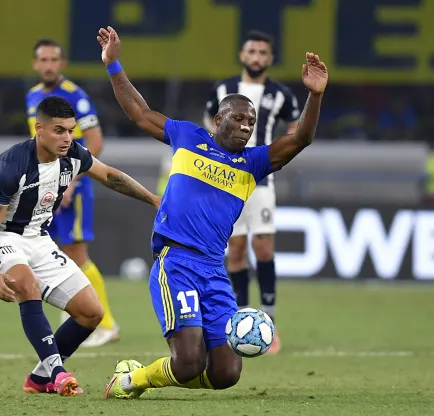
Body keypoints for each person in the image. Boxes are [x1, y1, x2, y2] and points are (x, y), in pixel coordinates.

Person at [95, 26, 328, 398]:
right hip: (178, 262)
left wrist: (314, 96)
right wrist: (113, 65)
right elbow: (139, 113)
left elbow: (301, 138)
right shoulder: (188, 137)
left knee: (226, 373)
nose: (245, 126)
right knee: (189, 362)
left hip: (214, 270)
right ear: (218, 120)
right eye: (238, 118)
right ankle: (131, 379)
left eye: (250, 122)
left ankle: (159, 372)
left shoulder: (253, 163)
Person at [0, 96, 160, 396]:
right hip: (4, 237)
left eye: (71, 130)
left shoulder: (73, 155)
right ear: (39, 129)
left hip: (38, 237)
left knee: (91, 312)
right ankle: (57, 374)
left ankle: (37, 379)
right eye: (59, 130)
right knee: (27, 285)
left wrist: (153, 199)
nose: (67, 138)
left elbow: (110, 176)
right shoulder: (12, 166)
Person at [202, 30, 302, 354]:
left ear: (269, 59)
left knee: (264, 248)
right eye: (252, 52)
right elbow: (208, 123)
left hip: (261, 180)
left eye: (263, 52)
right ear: (242, 55)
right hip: (227, 179)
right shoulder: (223, 89)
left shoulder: (282, 95)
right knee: (235, 250)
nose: (257, 57)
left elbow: (296, 129)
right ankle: (240, 322)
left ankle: (269, 325)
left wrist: (278, 153)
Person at [25, 38, 120, 347]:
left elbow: (95, 140)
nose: (49, 65)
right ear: (35, 64)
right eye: (44, 60)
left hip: (72, 188)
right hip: (45, 188)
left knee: (77, 255)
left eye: (54, 60)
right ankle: (76, 312)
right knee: (56, 254)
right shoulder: (33, 97)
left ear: (62, 64)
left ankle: (105, 323)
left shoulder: (75, 97)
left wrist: (72, 179)